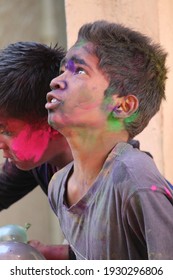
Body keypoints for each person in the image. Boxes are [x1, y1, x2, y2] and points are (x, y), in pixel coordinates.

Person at [46, 20, 173, 259]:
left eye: (79, 71)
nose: (57, 81)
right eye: (63, 70)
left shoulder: (136, 178)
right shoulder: (58, 185)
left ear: (123, 105)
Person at [0, 41, 75, 259]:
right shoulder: (40, 162)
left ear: (50, 118)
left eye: (6, 130)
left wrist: (50, 254)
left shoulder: (112, 178)